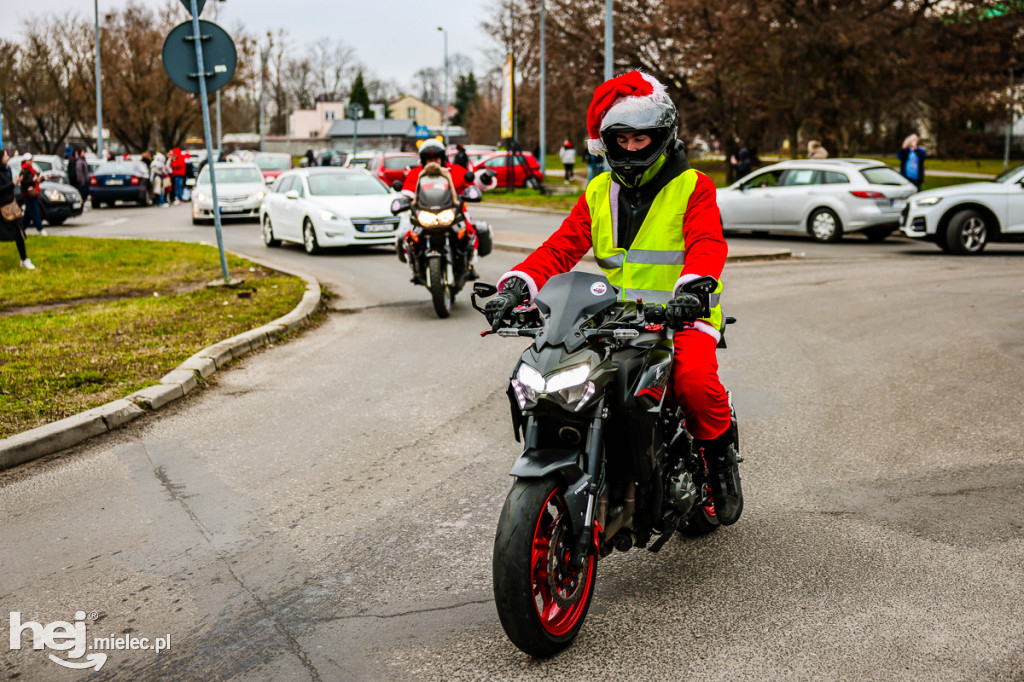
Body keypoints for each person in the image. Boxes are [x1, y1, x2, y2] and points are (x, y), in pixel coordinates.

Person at [484, 70, 742, 524]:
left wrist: (694, 286)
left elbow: (707, 242)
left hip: (681, 316)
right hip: (615, 319)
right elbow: (561, 246)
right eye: (621, 138)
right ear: (607, 141)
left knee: (696, 383)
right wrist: (519, 283)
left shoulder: (693, 185)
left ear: (661, 136)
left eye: (642, 138)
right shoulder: (599, 191)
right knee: (564, 377)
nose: (631, 147)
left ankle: (720, 465)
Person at [400, 137, 479, 278]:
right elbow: (407, 191)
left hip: (452, 211)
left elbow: (470, 181)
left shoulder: (453, 170)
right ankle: (415, 265)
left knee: (469, 231)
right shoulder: (415, 174)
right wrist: (403, 200)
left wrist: (482, 180)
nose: (433, 162)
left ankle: (469, 263)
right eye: (429, 159)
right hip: (424, 213)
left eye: (436, 158)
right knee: (408, 236)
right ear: (423, 160)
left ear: (442, 158)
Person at [0, 148, 35, 269]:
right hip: (1, 209)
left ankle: (24, 259)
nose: (8, 158)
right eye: (5, 156)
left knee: (18, 233)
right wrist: (13, 184)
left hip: (11, 207)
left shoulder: (7, 170)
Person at [17, 154, 47, 235]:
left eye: (31, 160)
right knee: (35, 212)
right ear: (25, 161)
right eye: (29, 160)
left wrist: (39, 179)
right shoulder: (24, 170)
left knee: (28, 214)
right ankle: (41, 229)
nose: (31, 161)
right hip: (28, 194)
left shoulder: (31, 169)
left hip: (33, 193)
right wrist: (33, 180)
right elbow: (23, 182)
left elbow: (35, 180)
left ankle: (21, 228)